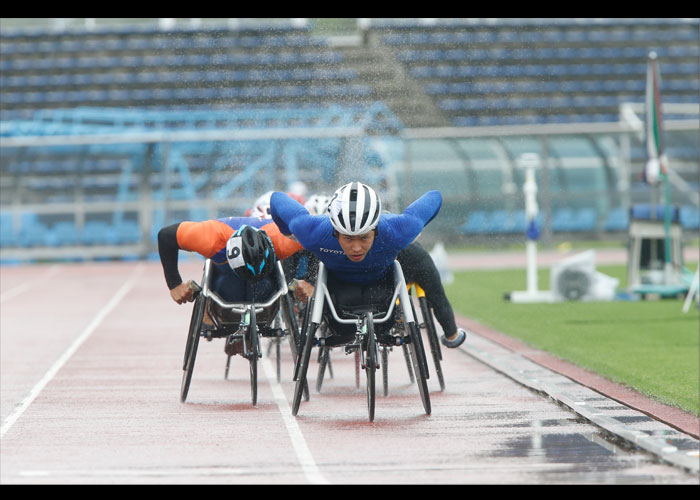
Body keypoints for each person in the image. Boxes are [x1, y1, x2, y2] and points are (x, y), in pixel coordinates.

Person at [270, 181, 444, 346]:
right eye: (347, 238)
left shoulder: (397, 231)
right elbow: (276, 198)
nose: (356, 248)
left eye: (364, 237)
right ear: (336, 233)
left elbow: (436, 196)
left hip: (384, 299)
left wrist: (415, 232)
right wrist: (290, 235)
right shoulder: (313, 232)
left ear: (375, 231)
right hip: (337, 303)